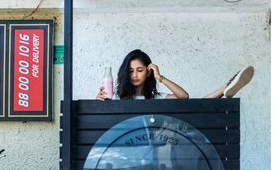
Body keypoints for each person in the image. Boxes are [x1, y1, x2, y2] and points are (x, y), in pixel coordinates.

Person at [96, 49, 254, 101]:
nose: (135, 75)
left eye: (140, 70)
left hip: (159, 141)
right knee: (195, 109)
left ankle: (226, 87)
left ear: (148, 72)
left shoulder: (154, 97)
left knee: (193, 107)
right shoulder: (117, 96)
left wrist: (160, 78)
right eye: (130, 71)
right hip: (128, 146)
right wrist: (99, 100)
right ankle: (226, 86)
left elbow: (184, 97)